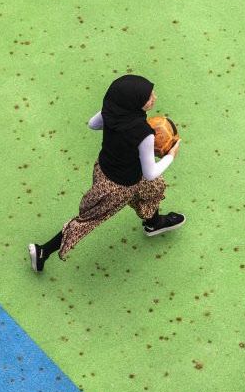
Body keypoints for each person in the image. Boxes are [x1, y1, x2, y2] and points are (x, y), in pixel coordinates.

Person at [28, 74, 184, 272]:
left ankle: (153, 223)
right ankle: (43, 251)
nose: (154, 97)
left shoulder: (113, 110)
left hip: (104, 169)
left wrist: (112, 114)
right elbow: (150, 171)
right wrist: (170, 155)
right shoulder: (143, 134)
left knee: (154, 188)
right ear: (134, 102)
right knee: (86, 221)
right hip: (117, 188)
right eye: (148, 97)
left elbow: (93, 124)